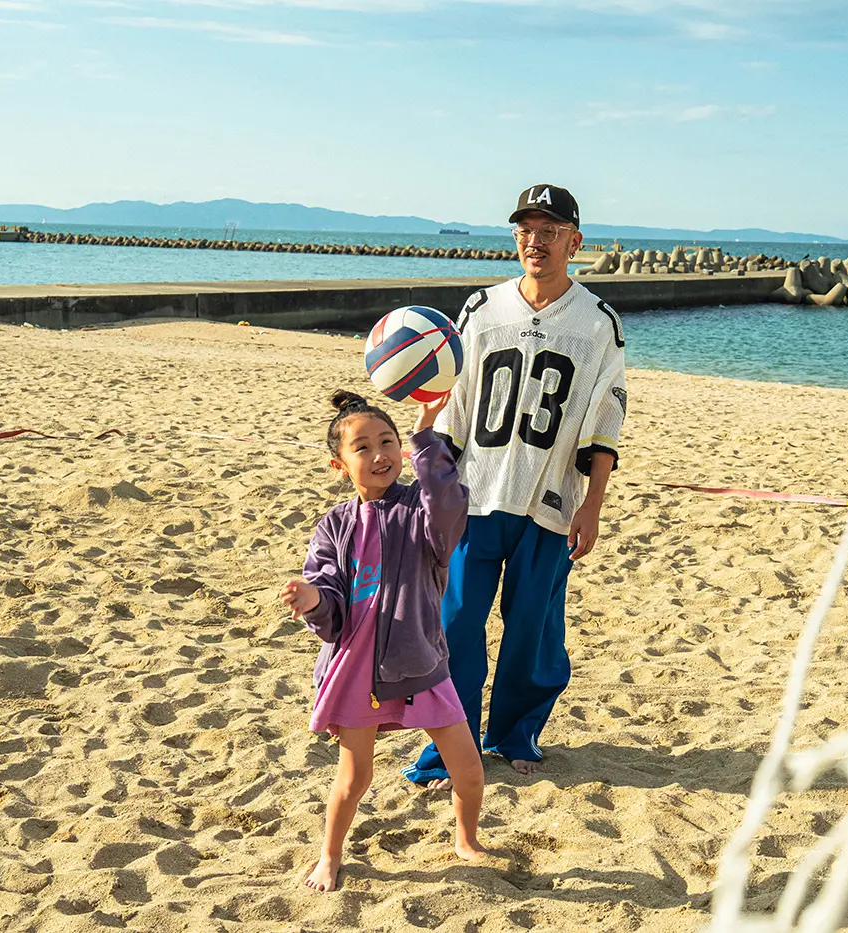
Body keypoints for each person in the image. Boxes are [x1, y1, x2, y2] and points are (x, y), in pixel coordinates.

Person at [404, 184, 627, 790]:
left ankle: (515, 733)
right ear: (514, 238)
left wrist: (593, 505)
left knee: (534, 628)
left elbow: (605, 417)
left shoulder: (598, 322)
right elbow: (454, 399)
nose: (537, 240)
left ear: (574, 243)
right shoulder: (480, 308)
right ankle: (447, 745)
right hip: (477, 494)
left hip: (550, 500)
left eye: (551, 230)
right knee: (455, 626)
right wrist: (436, 483)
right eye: (526, 229)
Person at [280, 389, 486, 892]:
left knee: (470, 771)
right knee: (354, 779)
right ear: (339, 464)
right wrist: (312, 600)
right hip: (356, 668)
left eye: (388, 442)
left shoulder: (420, 507)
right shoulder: (334, 524)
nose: (379, 455)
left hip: (421, 663)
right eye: (363, 447)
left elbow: (449, 509)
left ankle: (467, 839)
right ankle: (330, 855)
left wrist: (424, 437)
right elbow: (328, 589)